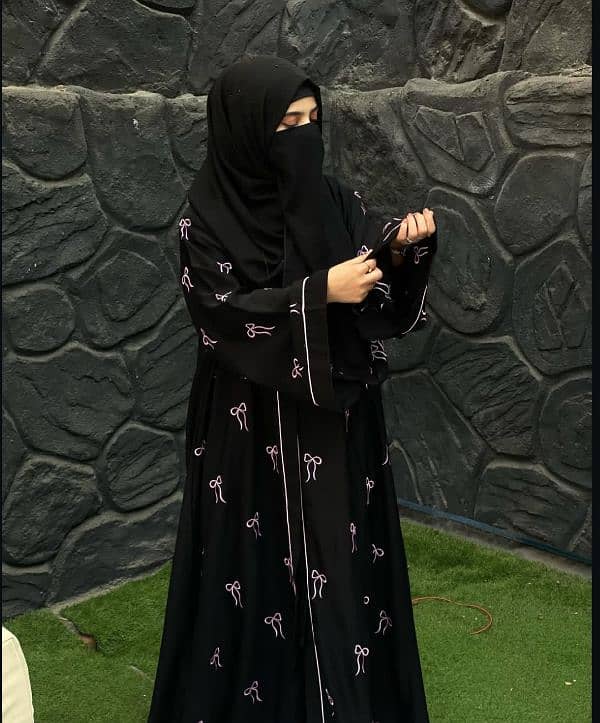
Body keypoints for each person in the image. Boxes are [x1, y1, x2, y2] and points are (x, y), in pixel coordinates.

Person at [147, 55, 437, 723]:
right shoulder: (206, 221)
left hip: (335, 422)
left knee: (340, 553)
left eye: (312, 120)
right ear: (246, 130)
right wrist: (318, 291)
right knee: (254, 567)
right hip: (249, 427)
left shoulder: (334, 199)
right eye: (286, 124)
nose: (303, 137)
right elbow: (219, 313)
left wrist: (399, 252)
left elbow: (371, 277)